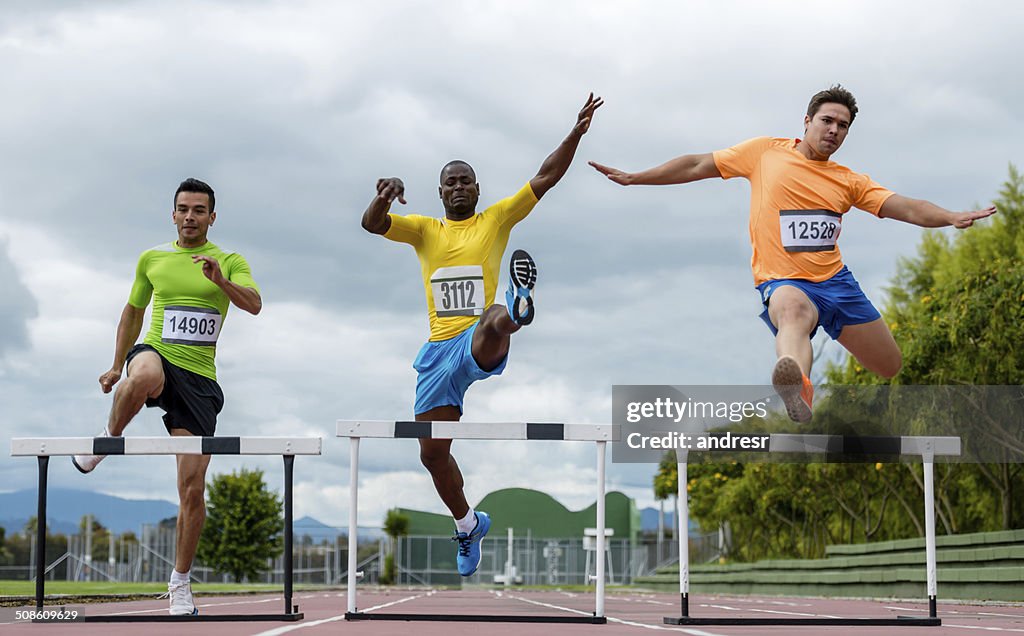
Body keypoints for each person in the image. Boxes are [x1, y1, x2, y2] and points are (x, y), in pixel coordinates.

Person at [590, 85, 995, 422]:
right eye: (827, 121)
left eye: (843, 126)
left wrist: (950, 216)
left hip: (837, 283)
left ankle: (804, 369)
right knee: (793, 313)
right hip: (785, 281)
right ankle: (797, 385)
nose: (834, 130)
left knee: (890, 364)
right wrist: (636, 178)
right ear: (806, 122)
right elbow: (698, 164)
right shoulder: (765, 153)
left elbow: (903, 206)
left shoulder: (848, 181)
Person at [362, 93, 602, 576]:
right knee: (432, 454)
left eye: (464, 180)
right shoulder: (424, 230)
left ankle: (517, 307)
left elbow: (546, 177)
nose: (457, 188)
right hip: (436, 352)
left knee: (492, 316)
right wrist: (385, 194)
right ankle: (469, 523)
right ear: (440, 192)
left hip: (477, 337)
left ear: (476, 187)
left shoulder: (495, 220)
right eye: (449, 183)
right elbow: (371, 224)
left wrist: (574, 133)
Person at [72, 178, 262, 615]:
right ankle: (108, 437)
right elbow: (134, 310)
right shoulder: (152, 258)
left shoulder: (229, 260)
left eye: (200, 210)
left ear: (212, 217)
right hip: (156, 352)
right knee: (141, 376)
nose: (191, 216)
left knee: (192, 489)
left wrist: (220, 281)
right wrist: (116, 363)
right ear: (173, 214)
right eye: (184, 209)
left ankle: (179, 584)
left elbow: (254, 304)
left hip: (199, 381)